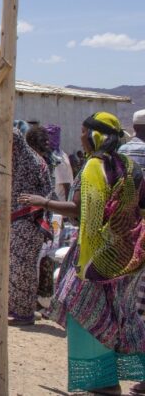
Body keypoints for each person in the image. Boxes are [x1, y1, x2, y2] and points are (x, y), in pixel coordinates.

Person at [21, 112, 145, 394]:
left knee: (83, 311)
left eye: (83, 131)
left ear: (94, 136)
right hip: (126, 254)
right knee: (121, 314)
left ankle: (103, 382)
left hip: (95, 257)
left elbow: (79, 208)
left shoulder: (93, 167)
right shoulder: (128, 166)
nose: (79, 137)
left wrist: (43, 201)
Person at [6, 123, 55, 325]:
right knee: (24, 267)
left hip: (24, 221)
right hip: (34, 222)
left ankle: (22, 314)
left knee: (21, 269)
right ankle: (23, 308)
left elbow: (14, 133)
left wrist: (7, 116)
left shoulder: (28, 157)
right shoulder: (42, 161)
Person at [46, 124, 75, 201]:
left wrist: (67, 210)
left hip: (60, 204)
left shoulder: (58, 159)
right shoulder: (55, 155)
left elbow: (67, 186)